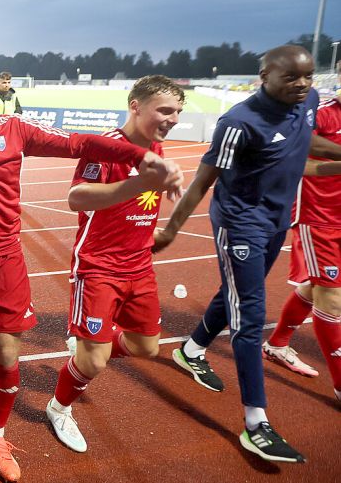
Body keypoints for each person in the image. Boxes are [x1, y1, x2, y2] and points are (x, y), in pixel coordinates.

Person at [0, 47, 182, 478]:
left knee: (7, 354)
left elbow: (76, 143)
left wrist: (138, 156)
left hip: (6, 262)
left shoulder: (16, 130)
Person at [155, 45, 341, 463]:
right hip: (241, 224)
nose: (303, 85)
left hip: (278, 220)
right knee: (251, 315)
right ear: (264, 75)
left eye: (309, 76)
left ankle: (191, 349)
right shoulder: (238, 123)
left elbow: (301, 148)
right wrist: (170, 229)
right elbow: (204, 181)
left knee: (238, 291)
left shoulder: (306, 101)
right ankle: (256, 424)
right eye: (291, 78)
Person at [43, 75, 184, 453]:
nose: (172, 119)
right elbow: (77, 198)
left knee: (146, 347)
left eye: (178, 113)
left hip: (139, 266)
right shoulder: (108, 147)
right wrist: (140, 185)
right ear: (135, 105)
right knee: (94, 362)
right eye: (164, 110)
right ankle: (59, 408)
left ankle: (94, 343)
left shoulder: (156, 147)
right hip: (98, 267)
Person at [264, 60, 341, 401]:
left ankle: (277, 342)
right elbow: (295, 152)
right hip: (319, 217)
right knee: (333, 296)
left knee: (316, 287)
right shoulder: (324, 115)